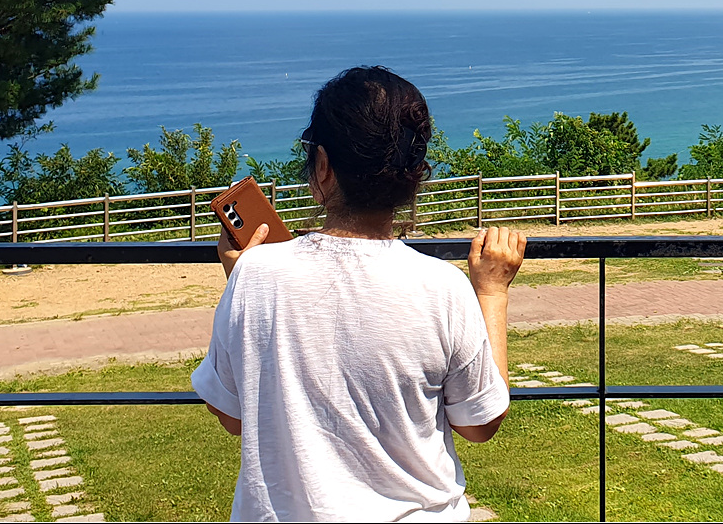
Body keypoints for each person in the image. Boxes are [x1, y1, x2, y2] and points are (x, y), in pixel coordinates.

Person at [192, 66, 527, 522]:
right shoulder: (443, 287)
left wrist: (243, 279)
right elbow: (480, 423)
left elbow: (232, 417)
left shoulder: (254, 275)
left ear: (323, 165)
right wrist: (491, 292)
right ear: (414, 174)